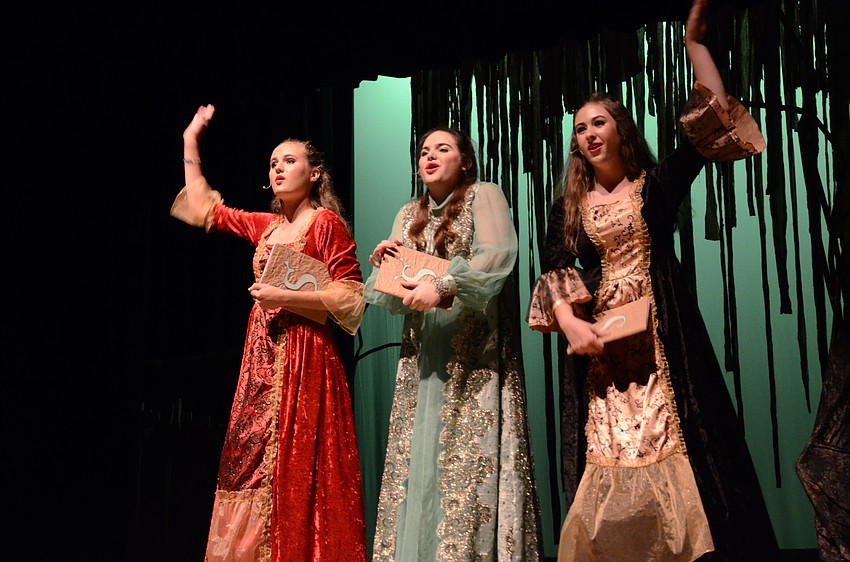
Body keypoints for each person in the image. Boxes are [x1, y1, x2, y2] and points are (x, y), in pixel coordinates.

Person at [527, 0, 780, 560]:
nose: (589, 134)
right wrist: (572, 325)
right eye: (580, 129)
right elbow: (555, 269)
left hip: (663, 348)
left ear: (619, 129)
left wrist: (694, 46)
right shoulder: (567, 209)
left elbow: (707, 126)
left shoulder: (653, 189)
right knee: (607, 455)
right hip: (601, 357)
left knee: (685, 447)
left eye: (599, 122)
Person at [170, 104, 367, 562]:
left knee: (298, 463)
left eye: (290, 161)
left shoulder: (325, 224)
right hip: (260, 360)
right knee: (249, 461)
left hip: (306, 356)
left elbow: (351, 297)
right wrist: (190, 140)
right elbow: (205, 208)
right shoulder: (270, 226)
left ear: (316, 173)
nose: (279, 168)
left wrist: (284, 294)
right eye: (274, 163)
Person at [365, 127, 542, 561]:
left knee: (468, 461)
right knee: (419, 462)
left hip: (473, 356)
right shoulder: (409, 213)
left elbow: (497, 256)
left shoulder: (485, 194)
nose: (429, 156)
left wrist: (443, 285)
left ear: (465, 161)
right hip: (424, 359)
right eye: (424, 151)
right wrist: (387, 263)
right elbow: (391, 293)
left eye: (442, 149)